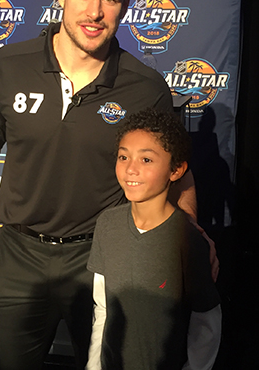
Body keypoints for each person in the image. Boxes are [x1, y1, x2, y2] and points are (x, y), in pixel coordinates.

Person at [0, 0, 198, 370]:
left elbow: (177, 174)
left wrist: (192, 239)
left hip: (104, 255)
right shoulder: (8, 65)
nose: (94, 12)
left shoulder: (145, 86)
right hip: (18, 257)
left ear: (124, 6)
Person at [86, 108, 221, 370]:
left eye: (146, 160)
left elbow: (205, 324)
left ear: (176, 170)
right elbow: (102, 308)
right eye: (123, 156)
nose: (130, 169)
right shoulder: (107, 224)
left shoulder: (188, 240)